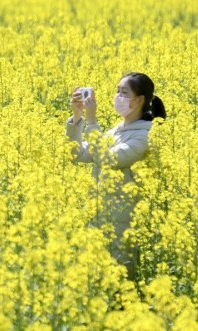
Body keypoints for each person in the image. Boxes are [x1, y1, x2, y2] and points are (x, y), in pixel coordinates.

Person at [66, 72, 166, 279]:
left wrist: (92, 119)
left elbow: (106, 160)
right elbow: (79, 154)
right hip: (100, 214)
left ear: (139, 100)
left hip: (124, 219)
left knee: (120, 281)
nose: (118, 97)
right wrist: (77, 118)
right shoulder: (115, 132)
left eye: (124, 92)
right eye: (117, 91)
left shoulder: (144, 136)